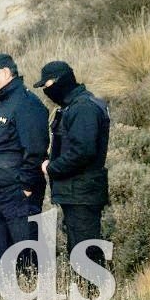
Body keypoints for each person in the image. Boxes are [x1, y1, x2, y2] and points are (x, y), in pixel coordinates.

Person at [0, 54, 49, 275]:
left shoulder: (26, 104)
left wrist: (26, 188)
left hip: (18, 195)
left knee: (27, 258)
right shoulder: (3, 105)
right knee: (4, 261)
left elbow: (36, 149)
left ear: (6, 73)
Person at [34, 60, 110, 267]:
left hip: (82, 191)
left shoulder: (83, 108)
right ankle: (89, 293)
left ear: (61, 81)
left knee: (86, 249)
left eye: (47, 85)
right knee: (80, 248)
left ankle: (94, 294)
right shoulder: (74, 107)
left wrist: (51, 168)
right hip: (78, 191)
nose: (46, 91)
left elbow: (83, 151)